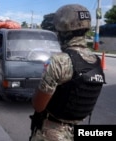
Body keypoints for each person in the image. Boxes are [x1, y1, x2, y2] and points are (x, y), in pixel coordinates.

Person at [30, 4, 106, 141]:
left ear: (62, 32)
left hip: (52, 133)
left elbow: (38, 106)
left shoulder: (59, 61)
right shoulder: (96, 60)